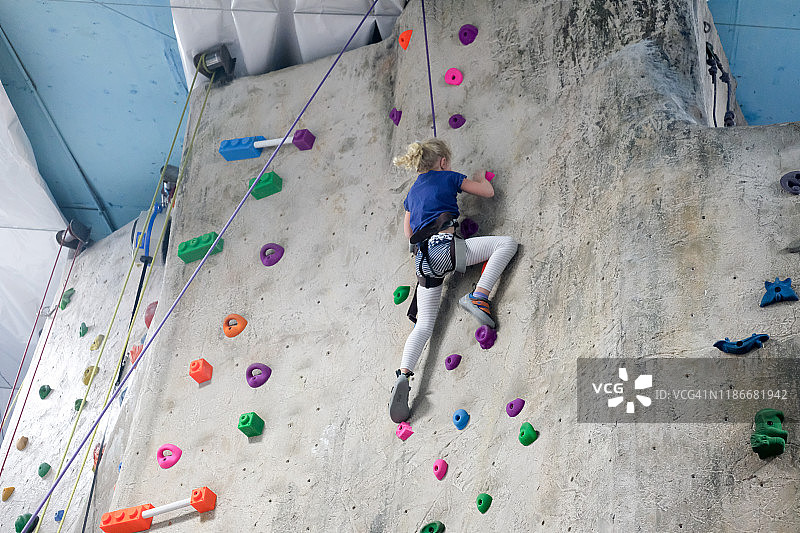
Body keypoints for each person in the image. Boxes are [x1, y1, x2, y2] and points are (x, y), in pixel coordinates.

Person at [389, 139, 518, 423]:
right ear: (443, 162)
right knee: (506, 244)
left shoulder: (411, 194)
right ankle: (479, 295)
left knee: (423, 325)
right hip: (446, 248)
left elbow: (409, 234)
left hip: (423, 261)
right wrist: (480, 177)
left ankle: (404, 375)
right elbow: (487, 191)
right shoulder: (449, 176)